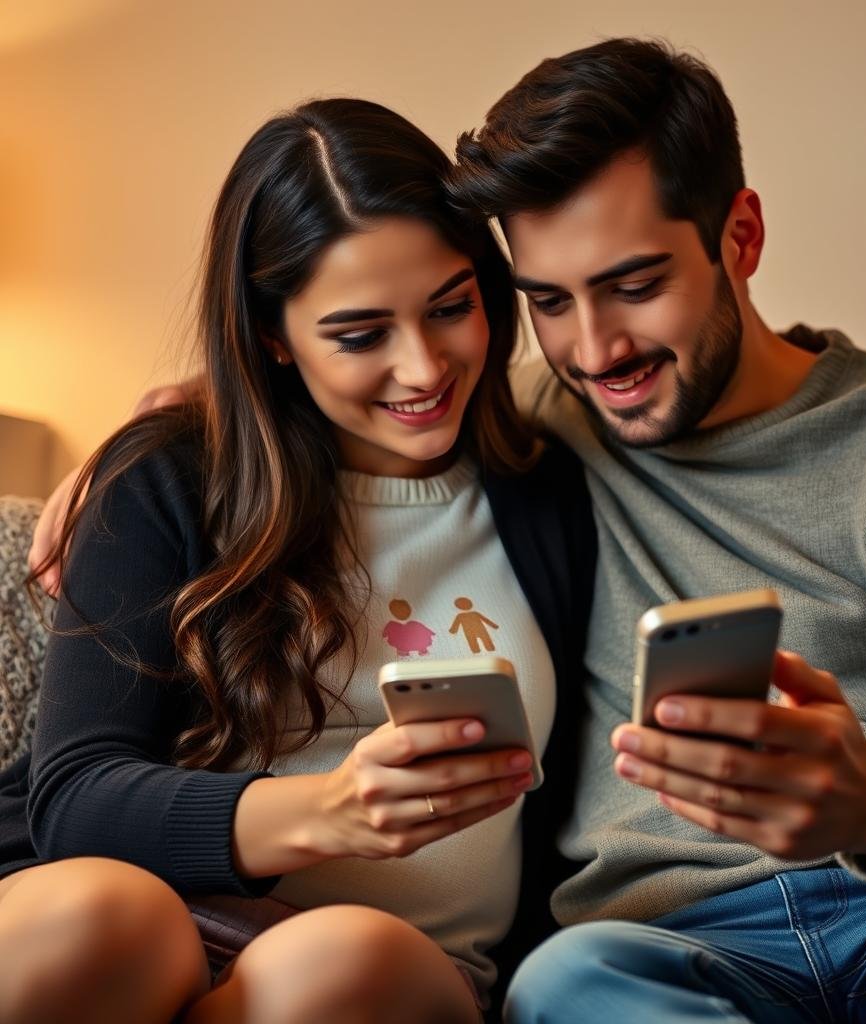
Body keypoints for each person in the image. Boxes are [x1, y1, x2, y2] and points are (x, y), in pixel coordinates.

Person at [446, 38, 866, 1023]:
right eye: (548, 301)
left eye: (634, 284)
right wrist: (163, 441)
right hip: (675, 951)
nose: (596, 350)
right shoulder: (529, 422)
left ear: (740, 236)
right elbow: (348, 387)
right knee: (563, 981)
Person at [0, 97, 593, 1023]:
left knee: (342, 964)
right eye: (361, 336)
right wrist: (332, 811)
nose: (425, 368)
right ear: (273, 335)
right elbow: (74, 799)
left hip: (387, 976)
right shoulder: (174, 475)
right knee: (101, 917)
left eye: (451, 307)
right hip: (143, 919)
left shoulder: (551, 481)